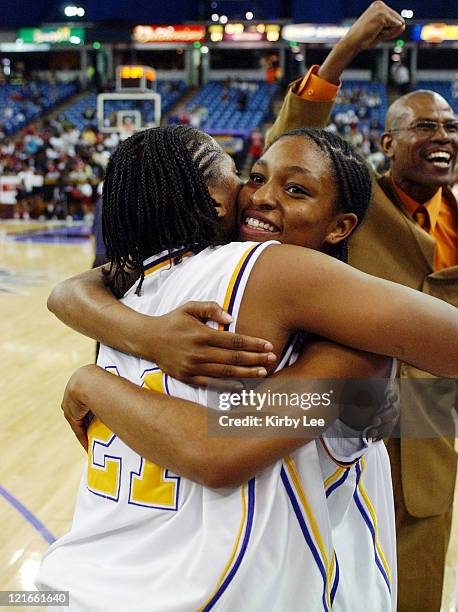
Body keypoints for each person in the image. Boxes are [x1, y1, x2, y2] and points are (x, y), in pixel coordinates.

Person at [39, 125, 458, 611]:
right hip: (211, 593)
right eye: (253, 177)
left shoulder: (128, 291)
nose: (259, 197)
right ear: (217, 201)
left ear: (341, 225)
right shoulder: (273, 272)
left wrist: (95, 376)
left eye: (295, 189)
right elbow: (218, 449)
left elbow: (68, 291)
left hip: (84, 578)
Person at [265, 9, 458, 612]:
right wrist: (347, 47)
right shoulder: (357, 194)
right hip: (349, 398)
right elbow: (292, 135)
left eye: (451, 126)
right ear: (387, 143)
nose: (443, 138)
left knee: (422, 551)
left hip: (432, 411)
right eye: (425, 126)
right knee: (331, 548)